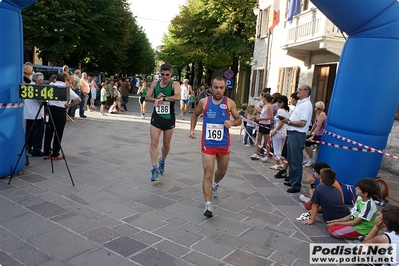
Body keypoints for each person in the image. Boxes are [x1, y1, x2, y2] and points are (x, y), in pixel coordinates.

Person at [189, 77, 242, 218]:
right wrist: (192, 130)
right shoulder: (204, 102)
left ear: (225, 88)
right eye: (216, 87)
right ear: (211, 88)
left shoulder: (229, 103)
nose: (218, 90)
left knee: (222, 171)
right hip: (208, 143)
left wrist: (232, 123)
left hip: (224, 143)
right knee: (207, 172)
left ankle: (215, 183)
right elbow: (194, 115)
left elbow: (239, 119)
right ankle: (208, 205)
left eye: (221, 87)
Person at [145, 64, 181, 181]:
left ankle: (162, 160)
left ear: (171, 74)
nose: (165, 77)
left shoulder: (174, 84)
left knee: (166, 144)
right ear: (159, 74)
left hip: (169, 118)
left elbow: (178, 97)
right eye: (163, 74)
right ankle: (154, 168)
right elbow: (147, 97)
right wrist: (156, 100)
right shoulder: (155, 83)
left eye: (167, 75)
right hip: (157, 117)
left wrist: (164, 98)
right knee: (154, 143)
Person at [280, 85, 313, 193]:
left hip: (298, 134)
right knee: (290, 158)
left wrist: (288, 122)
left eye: (300, 90)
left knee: (296, 160)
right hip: (293, 133)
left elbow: (302, 122)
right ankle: (292, 178)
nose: (297, 91)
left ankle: (296, 184)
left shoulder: (306, 105)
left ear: (306, 92)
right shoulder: (301, 103)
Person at [43, 73, 81, 160]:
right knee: (58, 132)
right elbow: (78, 99)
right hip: (60, 110)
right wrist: (70, 105)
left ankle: (46, 153)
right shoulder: (66, 89)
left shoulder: (51, 86)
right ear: (65, 80)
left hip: (51, 109)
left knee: (49, 131)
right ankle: (55, 154)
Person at [24, 72, 45, 157]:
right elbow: (41, 100)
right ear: (39, 80)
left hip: (28, 113)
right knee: (37, 133)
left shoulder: (28, 86)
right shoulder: (36, 88)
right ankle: (36, 150)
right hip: (36, 113)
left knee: (29, 131)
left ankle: (28, 148)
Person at [250, 92, 273, 162]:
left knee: (266, 140)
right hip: (261, 123)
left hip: (265, 124)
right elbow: (263, 114)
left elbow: (270, 116)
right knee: (259, 139)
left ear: (265, 98)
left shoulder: (269, 106)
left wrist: (261, 119)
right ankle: (256, 153)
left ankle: (267, 155)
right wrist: (258, 116)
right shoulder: (264, 105)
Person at [269, 95, 290, 170]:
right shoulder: (287, 111)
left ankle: (277, 164)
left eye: (280, 102)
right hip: (284, 131)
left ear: (283, 103)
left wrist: (275, 131)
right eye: (277, 101)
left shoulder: (280, 111)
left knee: (277, 148)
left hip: (279, 131)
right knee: (281, 148)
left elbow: (281, 123)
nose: (278, 103)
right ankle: (281, 163)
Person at [303, 101, 327, 167]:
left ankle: (311, 159)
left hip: (321, 133)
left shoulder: (322, 114)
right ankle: (309, 156)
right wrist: (310, 133)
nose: (315, 108)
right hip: (317, 132)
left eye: (316, 107)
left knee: (307, 142)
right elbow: (314, 124)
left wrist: (313, 136)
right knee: (305, 140)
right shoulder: (317, 114)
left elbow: (318, 126)